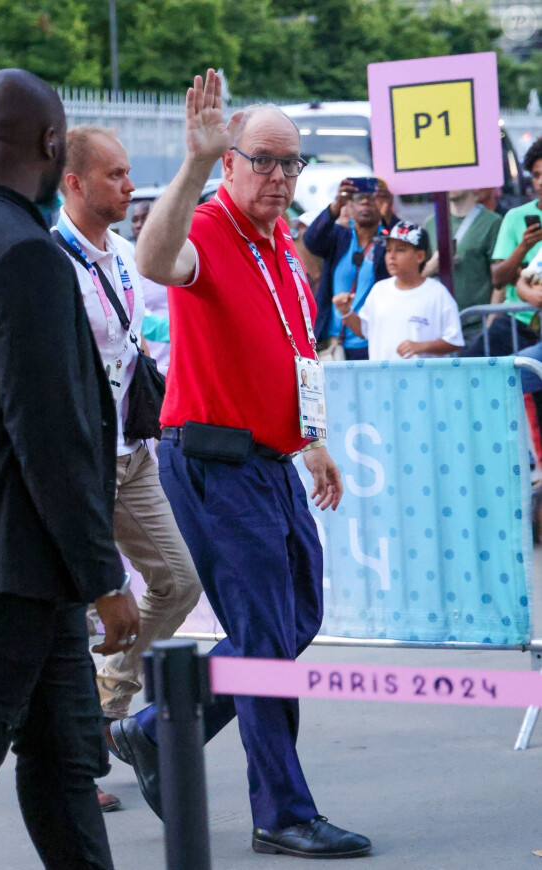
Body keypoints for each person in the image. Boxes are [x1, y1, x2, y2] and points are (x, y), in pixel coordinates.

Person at [112, 69, 372, 860]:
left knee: (297, 619)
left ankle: (157, 727)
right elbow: (158, 260)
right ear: (230, 162)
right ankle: (283, 812)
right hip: (214, 462)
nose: (280, 177)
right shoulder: (212, 224)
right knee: (263, 637)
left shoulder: (282, 246)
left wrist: (313, 440)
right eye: (263, 160)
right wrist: (192, 166)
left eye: (290, 163)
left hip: (272, 460)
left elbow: (293, 353)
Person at [0, 68, 139, 868]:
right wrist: (105, 575)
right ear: (49, 145)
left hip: (26, 567)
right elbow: (50, 432)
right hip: (6, 571)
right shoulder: (24, 254)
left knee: (68, 762)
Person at [57, 126, 201, 807]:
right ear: (73, 183)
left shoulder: (123, 254)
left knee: (176, 581)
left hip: (133, 453)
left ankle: (107, 705)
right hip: (77, 463)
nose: (128, 185)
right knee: (65, 617)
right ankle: (75, 759)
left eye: (129, 173)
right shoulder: (49, 260)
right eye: (114, 175)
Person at [333, 221, 464, 360]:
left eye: (400, 250)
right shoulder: (379, 290)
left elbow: (454, 341)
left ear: (420, 256)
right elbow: (364, 330)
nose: (391, 256)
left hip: (423, 379)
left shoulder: (437, 293)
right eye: (388, 250)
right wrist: (346, 311)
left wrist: (422, 346)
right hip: (383, 379)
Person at [461, 136, 542, 358]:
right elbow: (498, 278)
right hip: (518, 320)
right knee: (470, 365)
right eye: (536, 175)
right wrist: (523, 247)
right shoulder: (515, 218)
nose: (540, 182)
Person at [303, 178, 394, 361]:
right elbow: (311, 240)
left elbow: (407, 254)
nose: (366, 202)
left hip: (371, 342)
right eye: (359, 197)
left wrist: (389, 217)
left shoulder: (389, 242)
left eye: (373, 198)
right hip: (332, 343)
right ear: (350, 207)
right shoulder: (339, 237)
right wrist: (336, 206)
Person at [423, 189, 502, 341]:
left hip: (477, 325)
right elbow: (417, 278)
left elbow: (500, 281)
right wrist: (432, 267)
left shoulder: (492, 222)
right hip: (440, 326)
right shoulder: (431, 223)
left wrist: (490, 323)